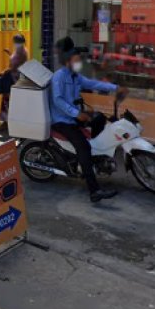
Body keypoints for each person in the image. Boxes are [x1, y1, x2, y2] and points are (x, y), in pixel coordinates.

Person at [50, 39, 120, 203]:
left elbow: (93, 83)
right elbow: (58, 101)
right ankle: (94, 191)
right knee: (83, 147)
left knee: (100, 118)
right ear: (68, 61)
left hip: (74, 116)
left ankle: (94, 157)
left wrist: (116, 88)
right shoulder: (59, 77)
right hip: (62, 120)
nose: (79, 63)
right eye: (76, 60)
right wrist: (76, 114)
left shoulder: (75, 76)